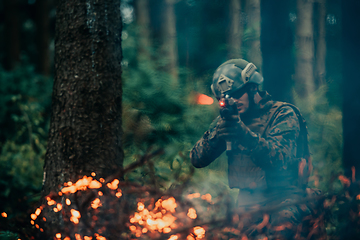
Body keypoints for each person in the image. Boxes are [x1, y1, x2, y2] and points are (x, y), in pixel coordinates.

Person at [190, 59, 324, 239]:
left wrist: (243, 134)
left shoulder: (283, 114)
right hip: (247, 202)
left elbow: (279, 160)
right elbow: (197, 159)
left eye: (237, 93)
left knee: (280, 231)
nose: (233, 100)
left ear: (252, 88)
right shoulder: (230, 119)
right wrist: (219, 135)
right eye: (226, 97)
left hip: (285, 199)